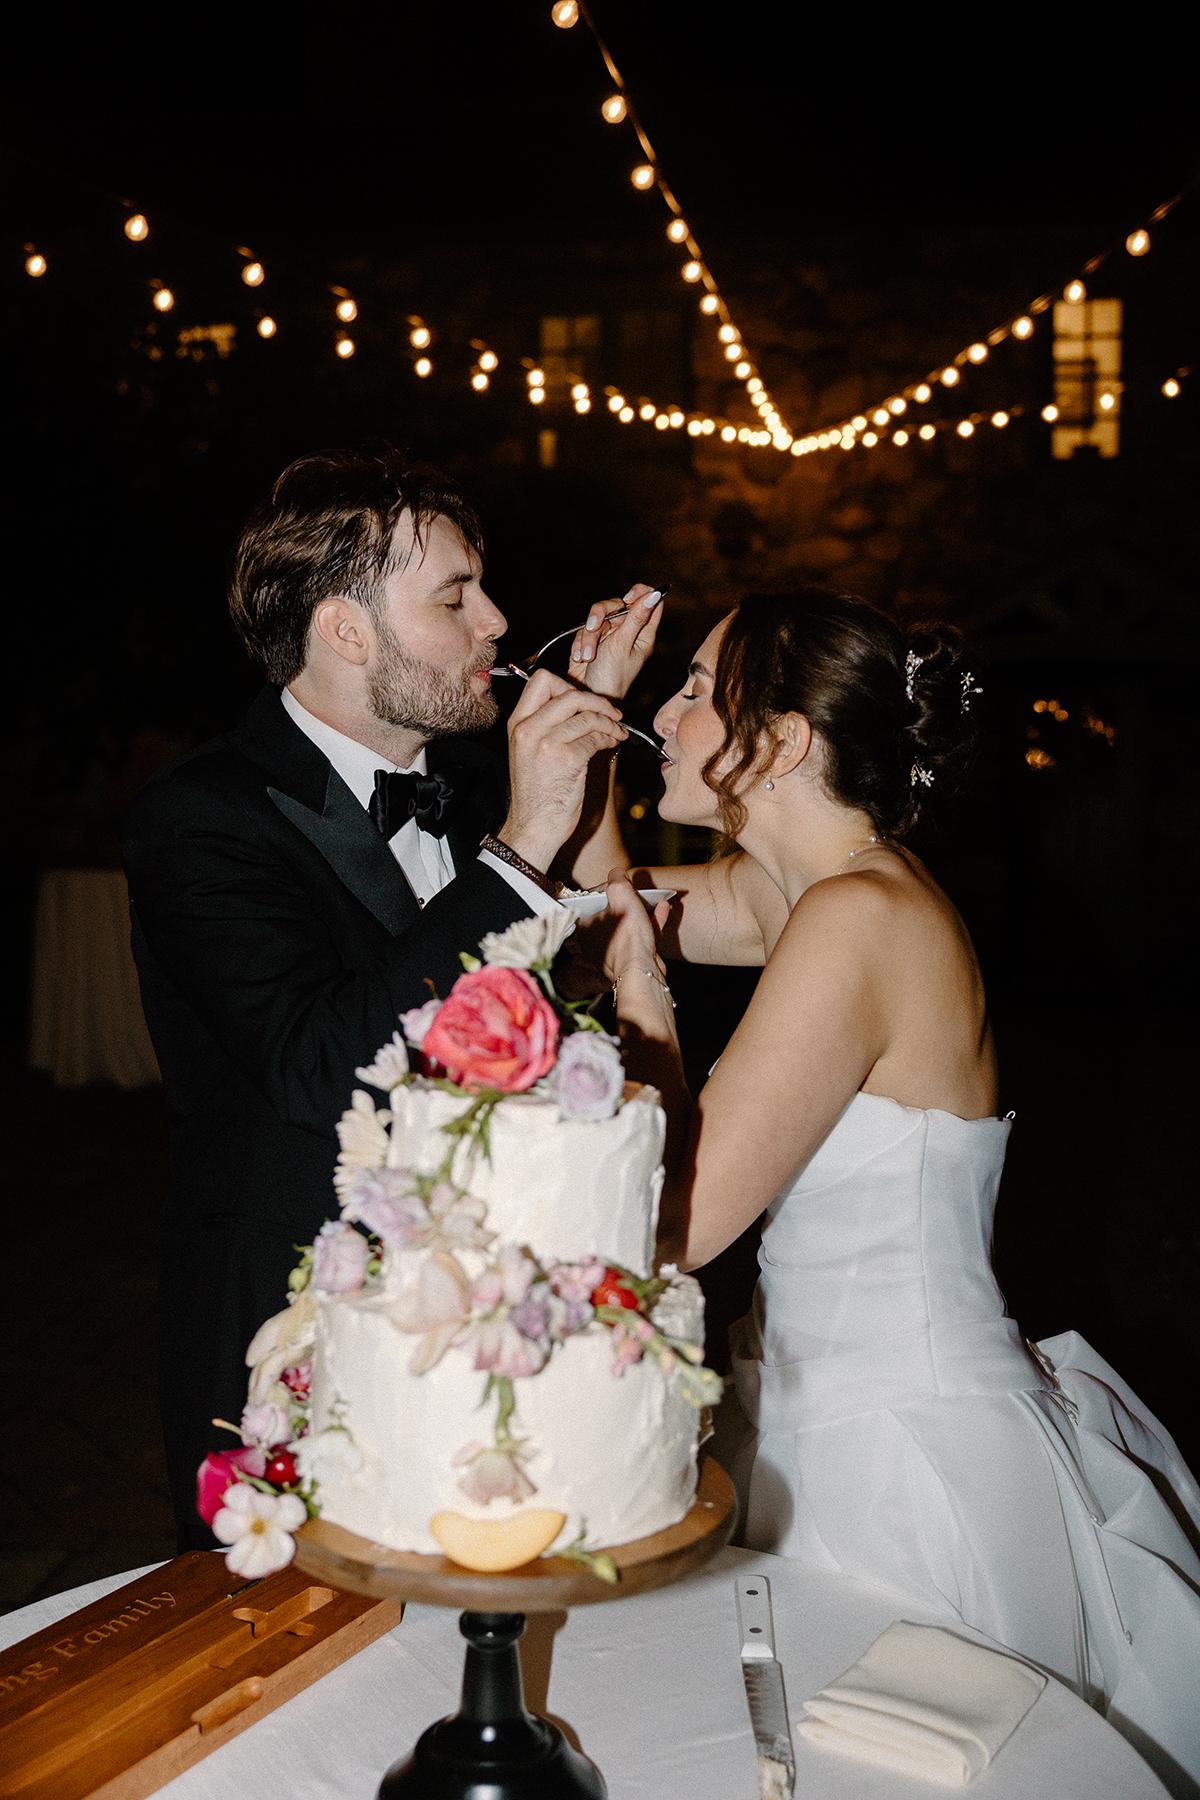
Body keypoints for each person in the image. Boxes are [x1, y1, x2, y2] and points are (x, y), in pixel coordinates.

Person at [580, 588, 1200, 1796]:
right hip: (828, 1407)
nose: (671, 710)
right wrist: (595, 725)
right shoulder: (834, 895)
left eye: (699, 690)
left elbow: (685, 1223)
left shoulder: (856, 918)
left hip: (895, 1457)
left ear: (788, 741)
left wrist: (647, 1018)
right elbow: (614, 916)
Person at [121, 446, 655, 1545]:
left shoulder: (470, 793)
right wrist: (517, 854)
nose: (499, 621)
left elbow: (590, 973)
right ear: (347, 631)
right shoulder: (202, 818)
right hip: (296, 1333)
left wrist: (586, 736)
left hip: (490, 1322)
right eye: (456, 597)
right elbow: (321, 1064)